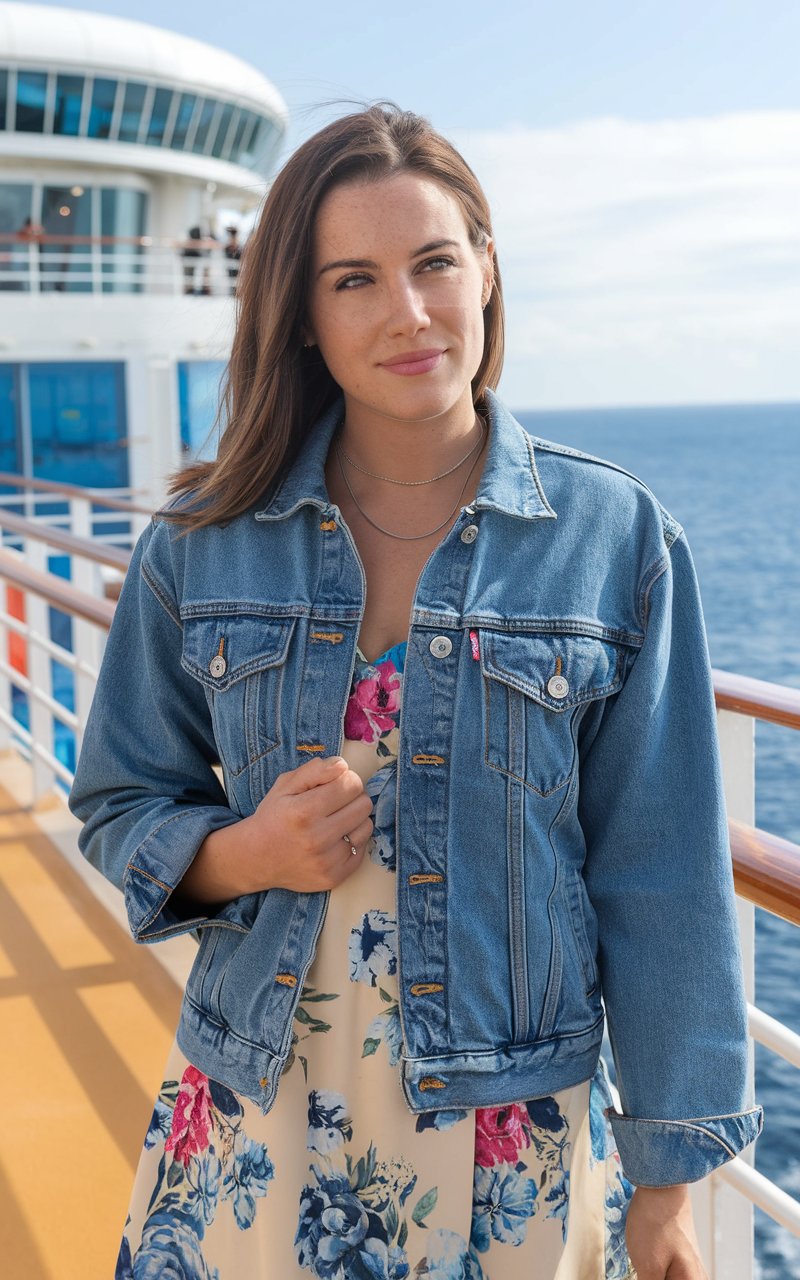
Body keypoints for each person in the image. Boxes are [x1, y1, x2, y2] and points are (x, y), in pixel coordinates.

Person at [70, 104, 762, 1280]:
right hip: (254, 1113)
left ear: (486, 268)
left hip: (507, 1145)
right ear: (301, 312)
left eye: (434, 261)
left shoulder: (614, 538)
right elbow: (120, 798)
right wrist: (246, 851)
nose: (407, 312)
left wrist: (666, 1181)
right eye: (353, 279)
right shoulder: (202, 540)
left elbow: (661, 877)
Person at [224, 224, 242, 294]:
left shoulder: (238, 246)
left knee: (236, 277)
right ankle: (233, 292)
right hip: (231, 264)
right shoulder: (228, 246)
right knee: (231, 276)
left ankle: (235, 292)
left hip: (236, 265)